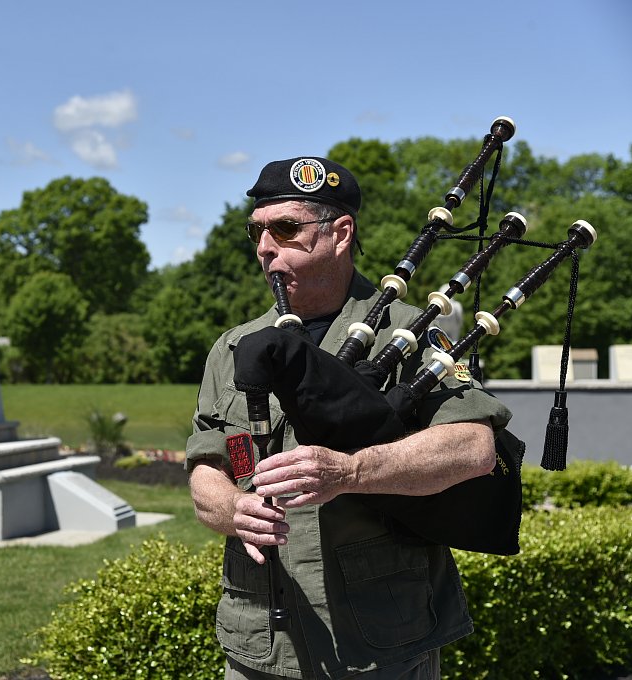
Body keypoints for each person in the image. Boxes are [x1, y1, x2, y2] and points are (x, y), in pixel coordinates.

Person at [186, 157, 512, 679]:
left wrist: (350, 472)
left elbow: (473, 447)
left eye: (286, 229)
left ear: (340, 234)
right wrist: (233, 507)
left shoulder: (405, 333)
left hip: (378, 636)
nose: (265, 246)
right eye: (257, 231)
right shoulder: (232, 348)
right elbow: (207, 464)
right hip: (261, 638)